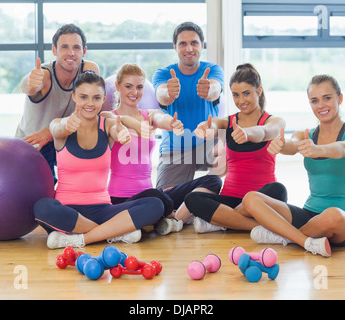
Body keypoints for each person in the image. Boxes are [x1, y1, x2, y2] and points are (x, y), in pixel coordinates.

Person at [33, 71, 164, 249]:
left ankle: (79, 239)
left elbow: (117, 127)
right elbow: (57, 129)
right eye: (84, 97)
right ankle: (111, 233)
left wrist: (123, 133)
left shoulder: (107, 124)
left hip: (103, 209)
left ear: (103, 99)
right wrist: (66, 125)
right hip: (67, 210)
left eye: (96, 98)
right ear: (74, 97)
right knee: (42, 207)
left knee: (155, 204)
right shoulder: (59, 123)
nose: (90, 103)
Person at [242, 75, 345, 257]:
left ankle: (284, 235)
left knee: (333, 215)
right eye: (315, 101)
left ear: (339, 98)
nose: (321, 105)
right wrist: (280, 145)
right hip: (309, 214)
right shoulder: (306, 135)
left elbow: (343, 148)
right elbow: (293, 145)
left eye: (327, 98)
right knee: (251, 198)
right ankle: (305, 241)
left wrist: (319, 150)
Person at [101, 64, 223, 236]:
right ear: (117, 86)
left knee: (213, 181)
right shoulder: (109, 118)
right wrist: (134, 125)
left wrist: (171, 124)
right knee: (156, 200)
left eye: (139, 87)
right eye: (128, 86)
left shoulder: (148, 115)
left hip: (152, 196)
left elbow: (161, 117)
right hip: (121, 198)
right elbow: (108, 117)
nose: (134, 92)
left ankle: (173, 220)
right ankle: (171, 216)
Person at [185, 63, 287, 233]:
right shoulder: (228, 121)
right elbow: (216, 123)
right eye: (236, 95)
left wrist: (247, 134)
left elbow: (265, 132)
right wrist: (206, 127)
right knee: (193, 198)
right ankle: (262, 226)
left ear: (259, 90)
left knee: (279, 190)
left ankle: (224, 221)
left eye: (246, 93)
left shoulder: (274, 121)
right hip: (231, 197)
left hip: (263, 198)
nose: (241, 101)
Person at [15, 24, 99, 183]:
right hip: (35, 143)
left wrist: (51, 132)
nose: (71, 53)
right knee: (43, 188)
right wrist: (30, 83)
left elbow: (90, 108)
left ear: (84, 51)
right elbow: (29, 86)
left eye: (76, 47)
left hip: (63, 137)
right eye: (64, 47)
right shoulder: (45, 75)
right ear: (54, 50)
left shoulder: (89, 69)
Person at [152, 21, 224, 190]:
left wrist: (209, 90)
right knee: (165, 201)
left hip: (208, 144)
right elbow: (161, 96)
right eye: (183, 43)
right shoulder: (163, 73)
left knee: (232, 145)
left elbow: (215, 89)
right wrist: (168, 94)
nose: (189, 49)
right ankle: (192, 195)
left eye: (194, 43)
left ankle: (205, 192)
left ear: (202, 45)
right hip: (176, 149)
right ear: (175, 47)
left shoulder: (213, 70)